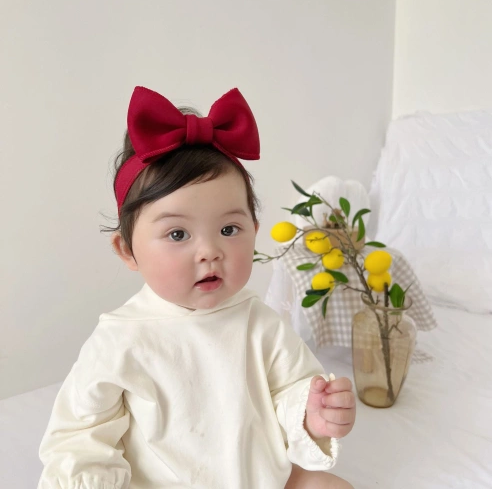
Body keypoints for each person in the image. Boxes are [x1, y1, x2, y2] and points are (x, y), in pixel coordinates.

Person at [37, 86, 356, 489]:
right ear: (127, 250)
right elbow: (80, 437)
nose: (209, 251)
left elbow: (289, 387)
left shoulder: (260, 323)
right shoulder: (121, 340)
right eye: (177, 234)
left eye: (229, 229)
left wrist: (312, 412)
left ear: (254, 231)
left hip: (261, 478)